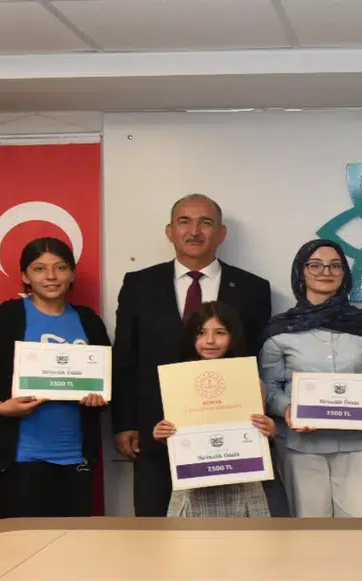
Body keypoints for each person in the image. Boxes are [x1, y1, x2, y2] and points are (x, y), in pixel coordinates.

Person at [111, 194, 272, 517]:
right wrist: (125, 423)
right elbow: (126, 356)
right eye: (184, 222)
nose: (195, 231)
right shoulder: (139, 284)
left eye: (205, 223)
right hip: (156, 431)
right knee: (155, 528)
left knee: (226, 532)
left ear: (221, 233)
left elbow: (255, 359)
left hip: (227, 439)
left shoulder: (253, 289)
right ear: (169, 231)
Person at [0, 238, 111, 519]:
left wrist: (100, 398)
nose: (51, 277)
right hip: (21, 457)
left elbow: (106, 377)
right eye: (39, 269)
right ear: (25, 276)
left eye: (60, 267)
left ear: (72, 274)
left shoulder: (88, 321)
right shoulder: (5, 317)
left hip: (75, 455)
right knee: (23, 540)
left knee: (72, 540)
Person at [259, 239, 362, 518]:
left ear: (344, 274)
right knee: (310, 531)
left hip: (359, 445)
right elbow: (268, 387)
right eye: (315, 265)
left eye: (335, 266)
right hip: (300, 447)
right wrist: (287, 408)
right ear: (301, 272)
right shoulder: (280, 330)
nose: (325, 272)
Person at [152, 302, 276, 517]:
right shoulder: (177, 381)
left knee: (249, 539)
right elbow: (177, 435)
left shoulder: (250, 381)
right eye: (201, 333)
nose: (210, 341)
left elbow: (259, 436)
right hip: (193, 487)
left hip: (243, 487)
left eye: (220, 333)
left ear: (233, 337)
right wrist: (163, 434)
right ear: (191, 337)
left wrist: (269, 430)